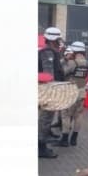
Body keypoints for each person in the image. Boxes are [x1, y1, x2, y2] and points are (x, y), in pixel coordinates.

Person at [38, 27, 65, 158]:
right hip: (48, 90)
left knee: (46, 118)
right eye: (58, 40)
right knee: (45, 118)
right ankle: (40, 147)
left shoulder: (51, 51)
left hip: (48, 89)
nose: (59, 42)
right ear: (53, 40)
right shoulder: (48, 52)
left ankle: (42, 142)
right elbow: (49, 74)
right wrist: (53, 91)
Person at [58, 42, 88, 147]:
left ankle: (65, 139)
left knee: (66, 115)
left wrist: (65, 60)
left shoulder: (72, 63)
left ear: (74, 51)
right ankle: (74, 139)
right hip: (81, 92)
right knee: (78, 115)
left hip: (70, 92)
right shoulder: (87, 63)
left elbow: (63, 72)